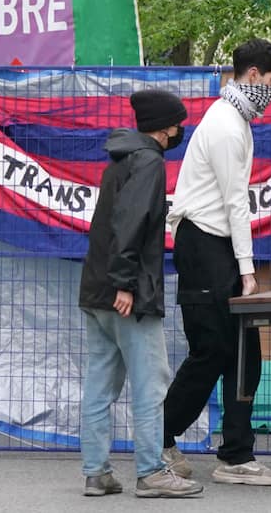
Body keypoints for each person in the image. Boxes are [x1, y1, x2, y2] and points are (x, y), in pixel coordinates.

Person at [161, 38, 271, 487]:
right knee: (212, 350)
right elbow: (236, 202)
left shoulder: (236, 120)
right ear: (253, 75)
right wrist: (247, 269)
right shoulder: (226, 125)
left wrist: (240, 264)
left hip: (217, 246)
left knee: (244, 353)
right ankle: (159, 438)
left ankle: (236, 454)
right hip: (203, 244)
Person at [77, 89, 202, 498]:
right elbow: (130, 223)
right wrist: (125, 283)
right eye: (178, 124)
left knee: (100, 386)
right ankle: (151, 473)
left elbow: (112, 224)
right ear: (165, 128)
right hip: (126, 294)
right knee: (151, 385)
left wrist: (115, 281)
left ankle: (96, 472)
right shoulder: (149, 161)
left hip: (96, 290)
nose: (181, 130)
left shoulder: (120, 159)